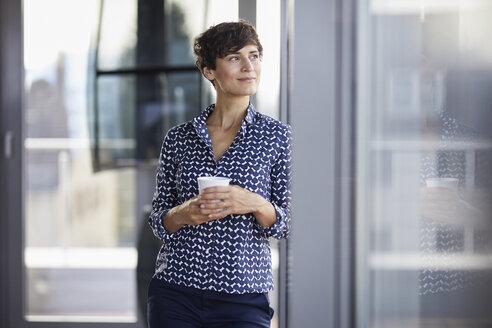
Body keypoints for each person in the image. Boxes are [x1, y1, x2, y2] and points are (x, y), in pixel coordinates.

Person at [147, 20, 291, 328]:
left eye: (254, 55)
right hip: (175, 293)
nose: (248, 66)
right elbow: (159, 223)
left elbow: (287, 223)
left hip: (243, 297)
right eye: (235, 57)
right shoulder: (178, 139)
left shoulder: (278, 137)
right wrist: (183, 212)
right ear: (210, 71)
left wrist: (252, 202)